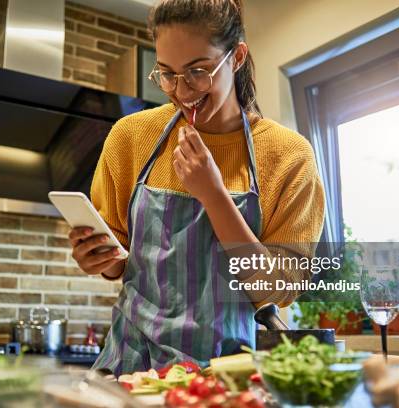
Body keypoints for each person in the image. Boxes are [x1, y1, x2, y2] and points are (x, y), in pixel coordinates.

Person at [69, 0, 325, 375]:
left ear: (236, 57)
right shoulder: (130, 137)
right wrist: (99, 260)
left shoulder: (288, 155)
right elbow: (120, 260)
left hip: (225, 375)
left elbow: (277, 289)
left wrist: (214, 196)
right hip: (129, 369)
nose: (181, 90)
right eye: (167, 74)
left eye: (198, 71)